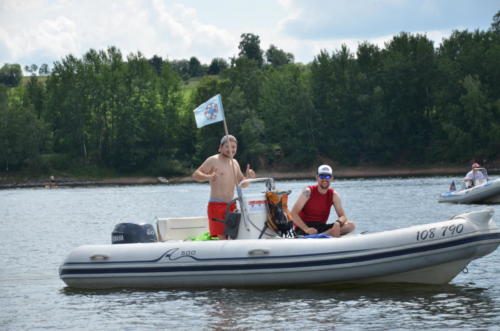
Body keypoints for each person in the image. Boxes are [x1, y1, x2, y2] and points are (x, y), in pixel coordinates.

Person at [192, 135, 256, 239]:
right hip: (216, 205)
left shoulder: (235, 163)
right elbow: (195, 175)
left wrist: (249, 177)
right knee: (221, 237)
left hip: (231, 206)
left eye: (233, 147)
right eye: (227, 146)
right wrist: (208, 177)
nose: (231, 149)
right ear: (220, 148)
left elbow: (243, 184)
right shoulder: (213, 160)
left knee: (232, 236)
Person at [291, 165, 355, 238]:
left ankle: (322, 235)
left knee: (351, 225)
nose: (325, 179)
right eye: (322, 176)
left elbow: (343, 216)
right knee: (335, 231)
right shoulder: (307, 192)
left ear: (331, 178)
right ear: (317, 178)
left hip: (321, 227)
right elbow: (293, 214)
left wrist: (338, 223)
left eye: (327, 177)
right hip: (304, 229)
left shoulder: (334, 195)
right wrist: (307, 229)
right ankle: (327, 235)